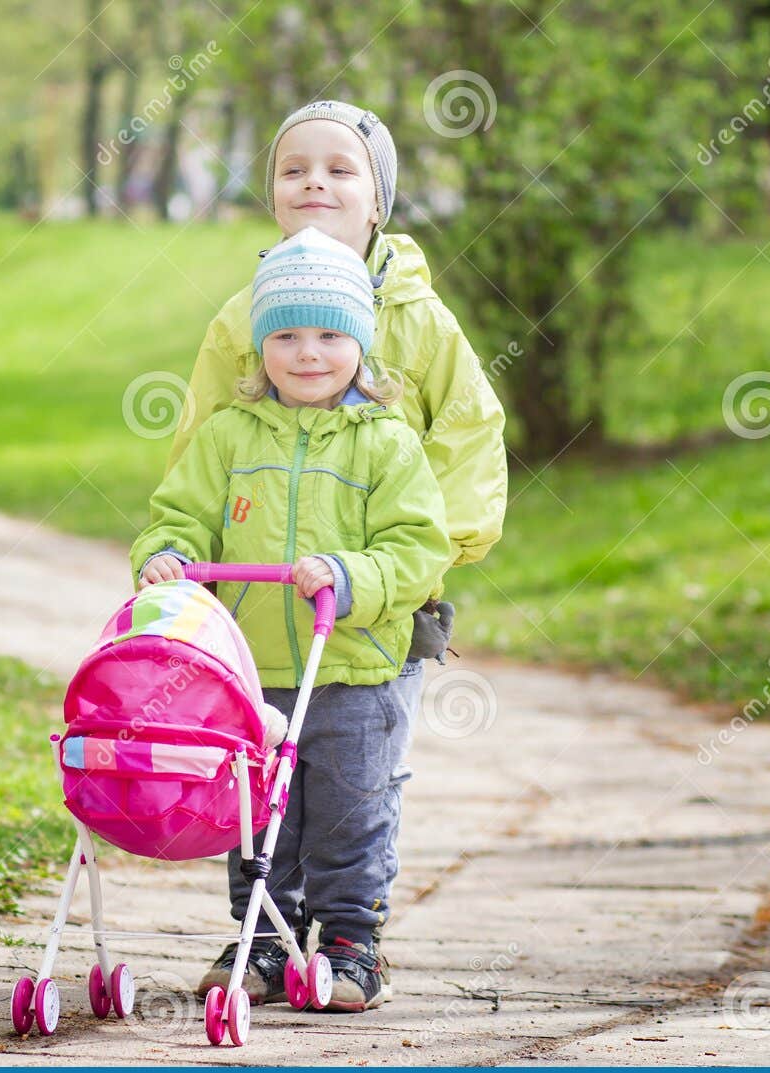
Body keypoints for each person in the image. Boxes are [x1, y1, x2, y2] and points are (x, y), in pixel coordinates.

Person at [164, 99, 507, 1004]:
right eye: (293, 168)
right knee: (260, 786)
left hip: (376, 604)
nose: (315, 181)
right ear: (273, 195)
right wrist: (186, 554)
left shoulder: (419, 320)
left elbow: (465, 435)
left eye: (341, 168)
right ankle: (267, 939)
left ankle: (352, 938)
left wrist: (419, 564)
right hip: (260, 616)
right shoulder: (245, 315)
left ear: (378, 199)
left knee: (353, 785)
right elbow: (205, 441)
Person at [131, 228, 450, 1010]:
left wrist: (350, 574)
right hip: (248, 671)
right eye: (286, 335)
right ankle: (262, 937)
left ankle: (350, 939)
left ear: (362, 343)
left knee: (349, 810)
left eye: (330, 334)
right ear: (259, 346)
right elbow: (180, 515)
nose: (308, 353)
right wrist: (168, 556)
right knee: (254, 811)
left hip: (350, 667)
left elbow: (417, 548)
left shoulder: (386, 443)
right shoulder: (229, 437)